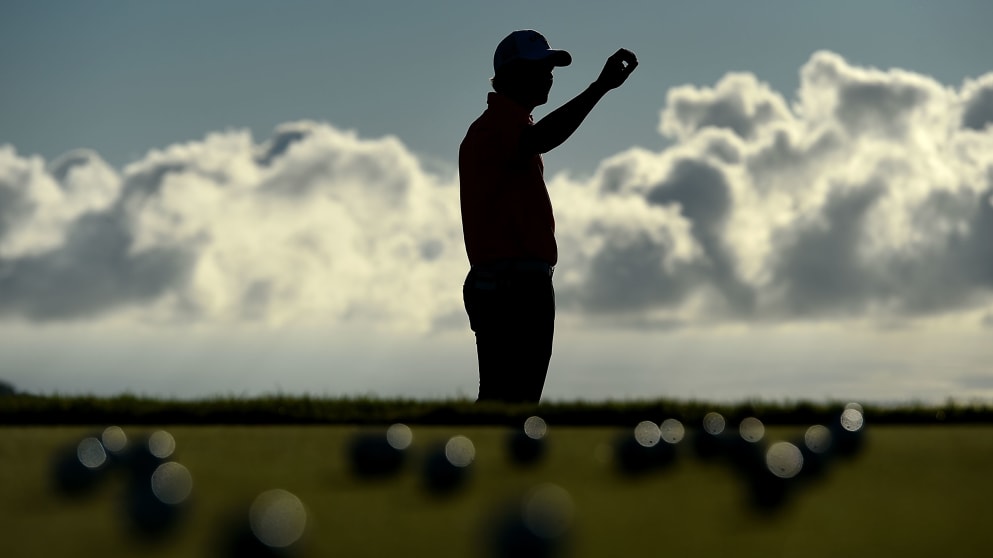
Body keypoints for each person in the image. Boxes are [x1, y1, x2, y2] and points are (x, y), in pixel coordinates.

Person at [459, 30, 638, 403]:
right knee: (509, 400)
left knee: (508, 399)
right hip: (511, 286)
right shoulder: (495, 127)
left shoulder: (507, 126)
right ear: (509, 76)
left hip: (511, 284)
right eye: (539, 68)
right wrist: (599, 88)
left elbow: (535, 139)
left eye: (550, 68)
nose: (549, 75)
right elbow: (539, 139)